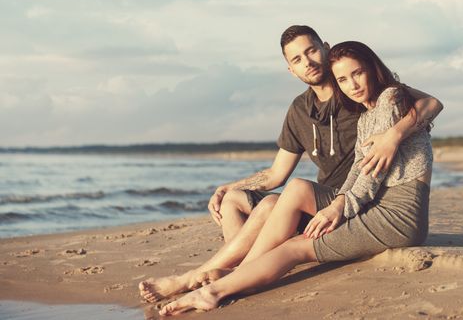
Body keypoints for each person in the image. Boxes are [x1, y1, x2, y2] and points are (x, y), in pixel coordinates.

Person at [139, 26, 442, 303]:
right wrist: (228, 187)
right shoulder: (313, 109)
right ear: (291, 69)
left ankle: (222, 277)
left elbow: (430, 103)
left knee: (283, 204)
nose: (308, 62)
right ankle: (234, 272)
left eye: (311, 51)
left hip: (363, 200)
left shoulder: (369, 93)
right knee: (238, 199)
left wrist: (393, 136)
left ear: (325, 48)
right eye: (297, 59)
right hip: (338, 196)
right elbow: (276, 174)